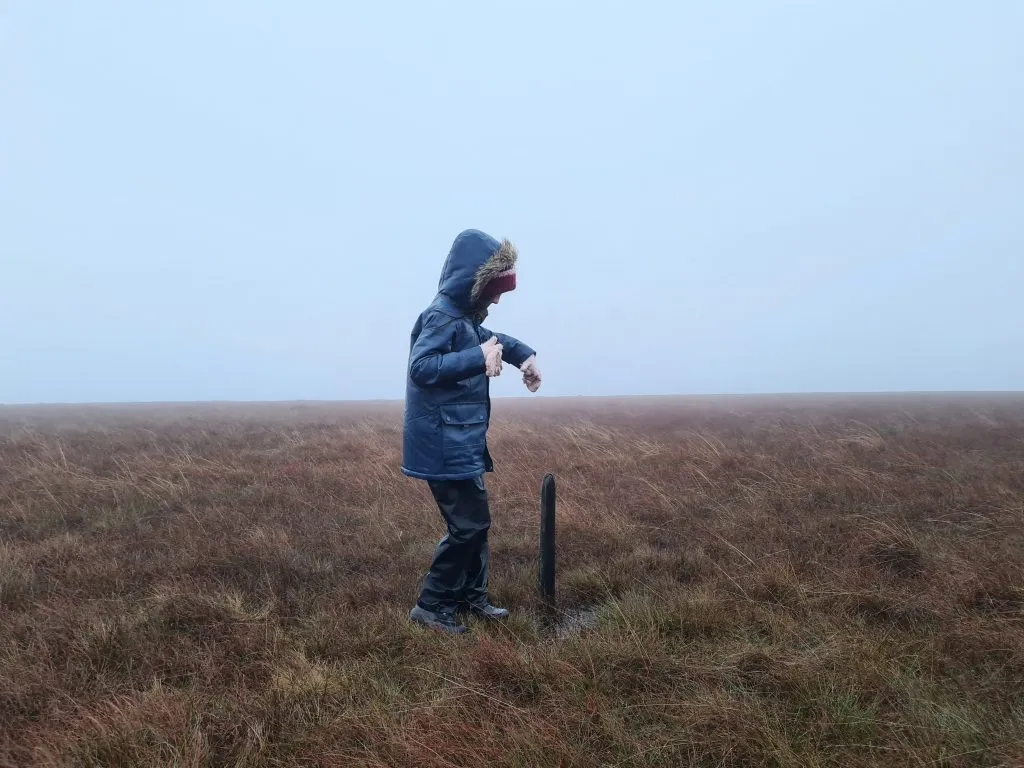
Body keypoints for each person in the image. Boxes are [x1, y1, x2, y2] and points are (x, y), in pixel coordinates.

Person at [401, 228, 542, 634]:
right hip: (442, 445)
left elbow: (492, 339)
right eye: (494, 290)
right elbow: (422, 368)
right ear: (473, 283)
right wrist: (477, 358)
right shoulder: (441, 316)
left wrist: (524, 356)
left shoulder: (461, 318)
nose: (497, 299)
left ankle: (470, 597)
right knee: (468, 527)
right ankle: (431, 607)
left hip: (460, 444)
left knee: (476, 525)